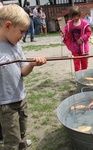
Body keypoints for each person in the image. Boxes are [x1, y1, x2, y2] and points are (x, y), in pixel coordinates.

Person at [0, 4, 47, 150]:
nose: (23, 36)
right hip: (6, 104)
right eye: (21, 32)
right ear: (8, 26)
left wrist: (32, 65)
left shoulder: (16, 46)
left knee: (22, 135)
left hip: (21, 98)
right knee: (12, 141)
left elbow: (22, 72)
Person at [61, 6, 92, 72]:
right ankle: (78, 77)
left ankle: (84, 77)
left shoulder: (85, 23)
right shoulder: (69, 24)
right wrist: (63, 33)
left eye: (77, 16)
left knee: (84, 65)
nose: (76, 18)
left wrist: (82, 39)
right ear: (71, 16)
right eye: (74, 16)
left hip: (83, 49)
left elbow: (89, 32)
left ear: (79, 15)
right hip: (74, 48)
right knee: (76, 64)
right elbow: (65, 30)